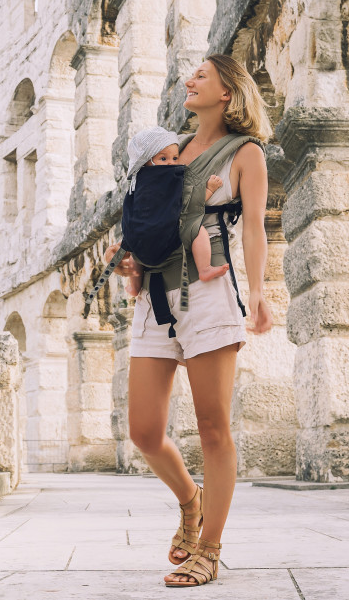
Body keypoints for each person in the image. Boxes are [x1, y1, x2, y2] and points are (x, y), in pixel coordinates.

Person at [105, 54, 273, 587]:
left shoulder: (246, 153)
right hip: (154, 291)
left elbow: (253, 231)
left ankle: (211, 547)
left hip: (207, 290)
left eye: (201, 74)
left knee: (213, 427)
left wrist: (261, 292)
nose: (188, 80)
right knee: (145, 430)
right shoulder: (166, 150)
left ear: (228, 91)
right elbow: (147, 216)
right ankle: (190, 499)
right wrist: (129, 255)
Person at [122, 127, 229, 299]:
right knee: (197, 231)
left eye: (175, 158)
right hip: (168, 237)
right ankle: (204, 268)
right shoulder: (170, 179)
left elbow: (129, 213)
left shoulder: (137, 185)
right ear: (146, 162)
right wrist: (209, 189)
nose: (171, 163)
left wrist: (128, 239)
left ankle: (134, 286)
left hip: (141, 244)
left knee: (136, 253)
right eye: (163, 158)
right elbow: (190, 203)